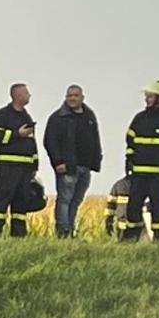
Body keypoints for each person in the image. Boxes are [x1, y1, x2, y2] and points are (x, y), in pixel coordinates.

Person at [120, 80, 159, 244]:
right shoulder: (139, 119)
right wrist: (129, 160)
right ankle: (130, 237)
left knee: (158, 207)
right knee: (133, 206)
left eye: (150, 96)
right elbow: (130, 141)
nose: (146, 99)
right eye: (147, 96)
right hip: (139, 173)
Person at [42, 84, 100, 238]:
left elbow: (95, 139)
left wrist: (96, 161)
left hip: (85, 166)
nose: (72, 98)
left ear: (82, 97)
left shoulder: (89, 117)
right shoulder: (58, 118)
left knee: (76, 200)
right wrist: (58, 162)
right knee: (64, 200)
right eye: (69, 96)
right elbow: (50, 141)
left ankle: (70, 230)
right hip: (67, 166)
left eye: (75, 95)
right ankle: (63, 232)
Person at [0, 82, 39, 238]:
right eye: (26, 93)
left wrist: (34, 164)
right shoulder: (2, 115)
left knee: (21, 202)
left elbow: (31, 143)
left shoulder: (26, 116)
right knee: (1, 199)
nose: (29, 95)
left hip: (25, 169)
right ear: (17, 95)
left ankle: (19, 234)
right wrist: (17, 134)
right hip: (7, 167)